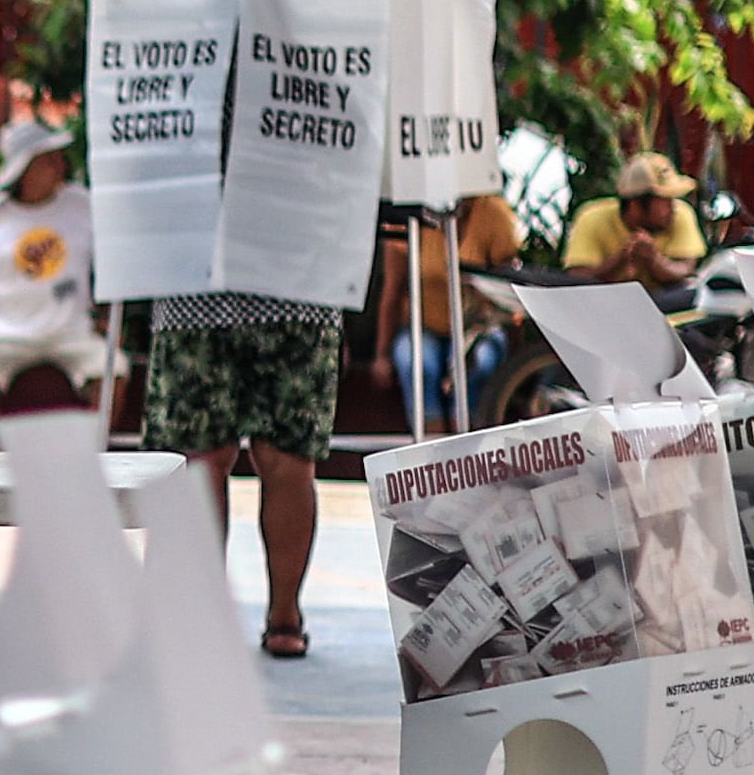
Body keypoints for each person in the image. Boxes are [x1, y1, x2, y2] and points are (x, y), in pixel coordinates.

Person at [141, 284, 348, 662]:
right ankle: (284, 616)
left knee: (204, 460)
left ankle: (208, 614)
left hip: (195, 292)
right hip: (299, 285)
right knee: (282, 458)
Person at [0, 115, 100, 428]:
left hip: (72, 332)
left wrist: (107, 318)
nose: (59, 165)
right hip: (5, 335)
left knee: (112, 368)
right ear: (23, 171)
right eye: (47, 160)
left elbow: (109, 268)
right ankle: (2, 462)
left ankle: (94, 456)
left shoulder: (83, 206)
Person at [381, 181, 522, 431]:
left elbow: (508, 293)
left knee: (479, 362)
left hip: (478, 328)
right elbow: (392, 289)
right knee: (416, 364)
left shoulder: (495, 214)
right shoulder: (410, 214)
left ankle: (469, 441)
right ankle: (431, 448)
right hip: (423, 328)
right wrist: (380, 356)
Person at [562, 150, 707, 295]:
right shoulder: (591, 217)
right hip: (606, 304)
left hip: (662, 304)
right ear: (636, 205)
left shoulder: (682, 213)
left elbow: (686, 269)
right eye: (665, 202)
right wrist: (622, 258)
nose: (672, 208)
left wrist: (653, 259)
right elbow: (578, 278)